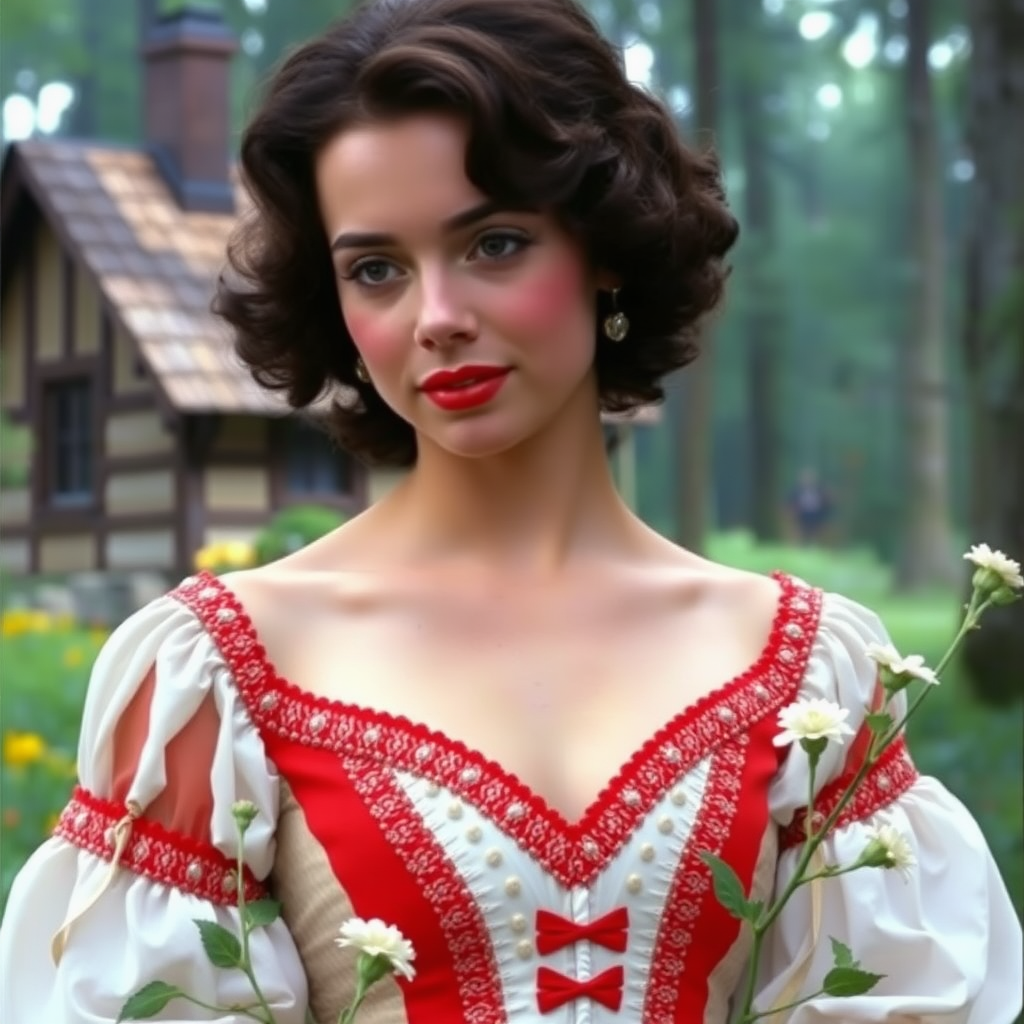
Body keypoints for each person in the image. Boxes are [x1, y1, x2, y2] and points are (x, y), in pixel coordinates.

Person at [1, 0, 1020, 1020]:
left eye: (492, 243)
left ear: (604, 248)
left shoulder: (811, 674)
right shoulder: (213, 679)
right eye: (376, 269)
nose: (436, 318)